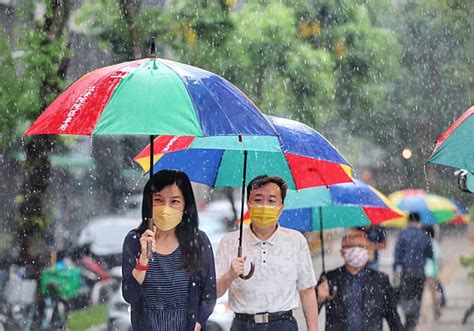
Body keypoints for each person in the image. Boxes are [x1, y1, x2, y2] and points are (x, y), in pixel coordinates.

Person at [216, 175, 318, 331]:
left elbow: (307, 291)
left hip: (283, 324)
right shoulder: (229, 242)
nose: (264, 206)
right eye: (258, 200)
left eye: (271, 200)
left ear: (281, 207)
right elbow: (214, 292)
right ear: (248, 204)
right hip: (243, 324)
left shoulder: (296, 240)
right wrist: (230, 275)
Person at [121, 170, 216, 331]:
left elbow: (209, 293)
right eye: (158, 200)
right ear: (149, 203)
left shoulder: (198, 241)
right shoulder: (135, 241)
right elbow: (130, 295)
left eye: (175, 201)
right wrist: (143, 260)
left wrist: (198, 323)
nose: (166, 208)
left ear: (185, 205)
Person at [316, 229, 401, 330]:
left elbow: (393, 318)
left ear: (368, 251)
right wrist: (319, 299)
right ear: (342, 252)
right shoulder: (329, 278)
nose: (356, 250)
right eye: (351, 246)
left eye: (361, 246)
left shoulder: (381, 280)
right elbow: (310, 313)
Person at [393, 212, 433, 330]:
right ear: (418, 221)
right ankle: (412, 322)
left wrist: (395, 269)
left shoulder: (402, 234)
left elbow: (397, 254)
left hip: (406, 271)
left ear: (408, 221)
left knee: (405, 296)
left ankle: (409, 320)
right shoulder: (424, 235)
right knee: (417, 296)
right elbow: (430, 254)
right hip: (420, 272)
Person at [423, 225, 445, 320]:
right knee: (433, 293)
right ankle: (436, 310)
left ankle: (423, 314)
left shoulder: (423, 242)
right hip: (432, 271)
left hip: (423, 270)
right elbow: (439, 259)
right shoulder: (435, 243)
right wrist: (439, 269)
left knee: (423, 293)